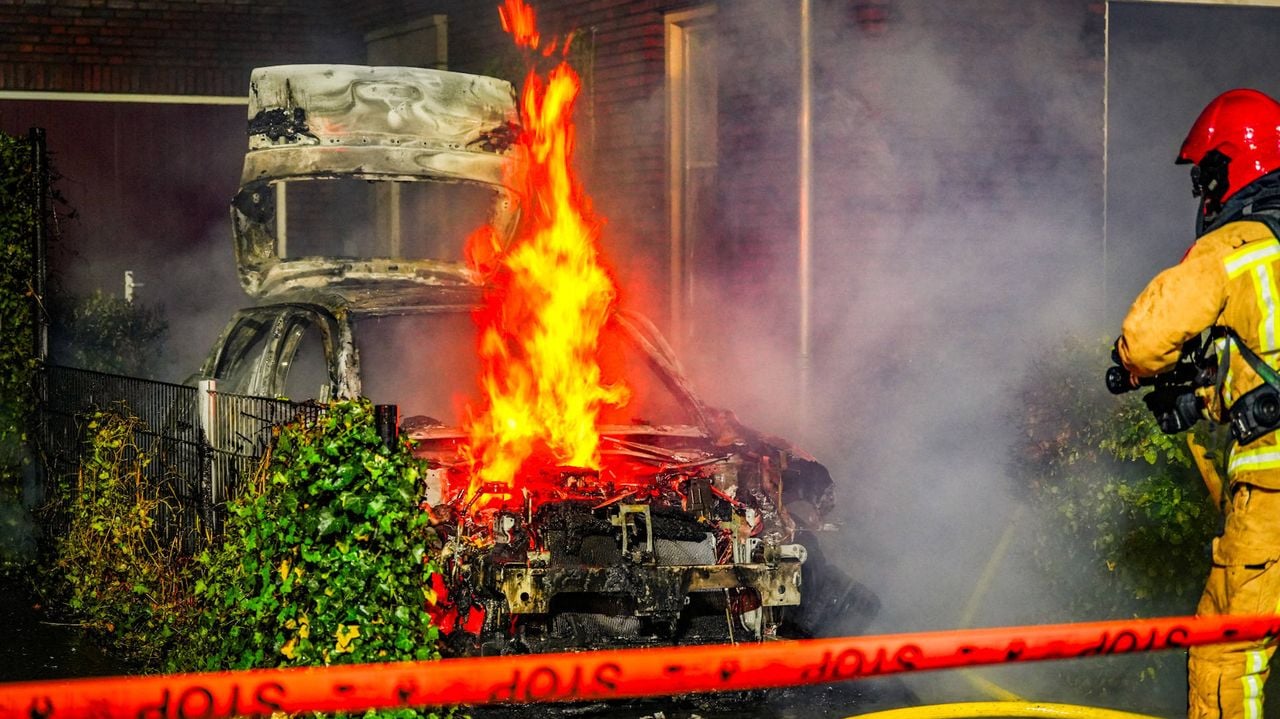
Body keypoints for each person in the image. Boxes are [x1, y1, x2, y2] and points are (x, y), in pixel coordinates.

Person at [1116, 87, 1280, 719]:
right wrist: (1205, 398)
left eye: (1205, 178)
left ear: (1226, 169)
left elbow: (1146, 341)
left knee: (1227, 650)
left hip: (1272, 488)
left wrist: (1134, 365)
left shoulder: (1236, 246)